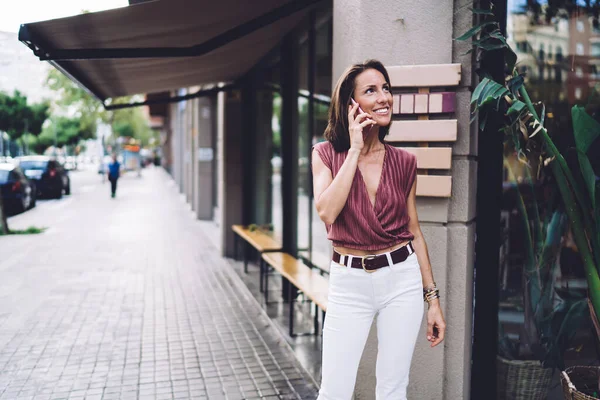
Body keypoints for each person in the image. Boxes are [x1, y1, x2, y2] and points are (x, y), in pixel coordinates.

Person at [312, 60, 446, 400]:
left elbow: (413, 230)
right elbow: (327, 212)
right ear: (350, 105)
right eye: (371, 90)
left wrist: (433, 300)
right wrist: (354, 150)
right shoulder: (326, 155)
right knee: (334, 391)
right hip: (349, 282)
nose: (384, 97)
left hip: (401, 278)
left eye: (386, 88)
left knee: (392, 388)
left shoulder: (404, 162)